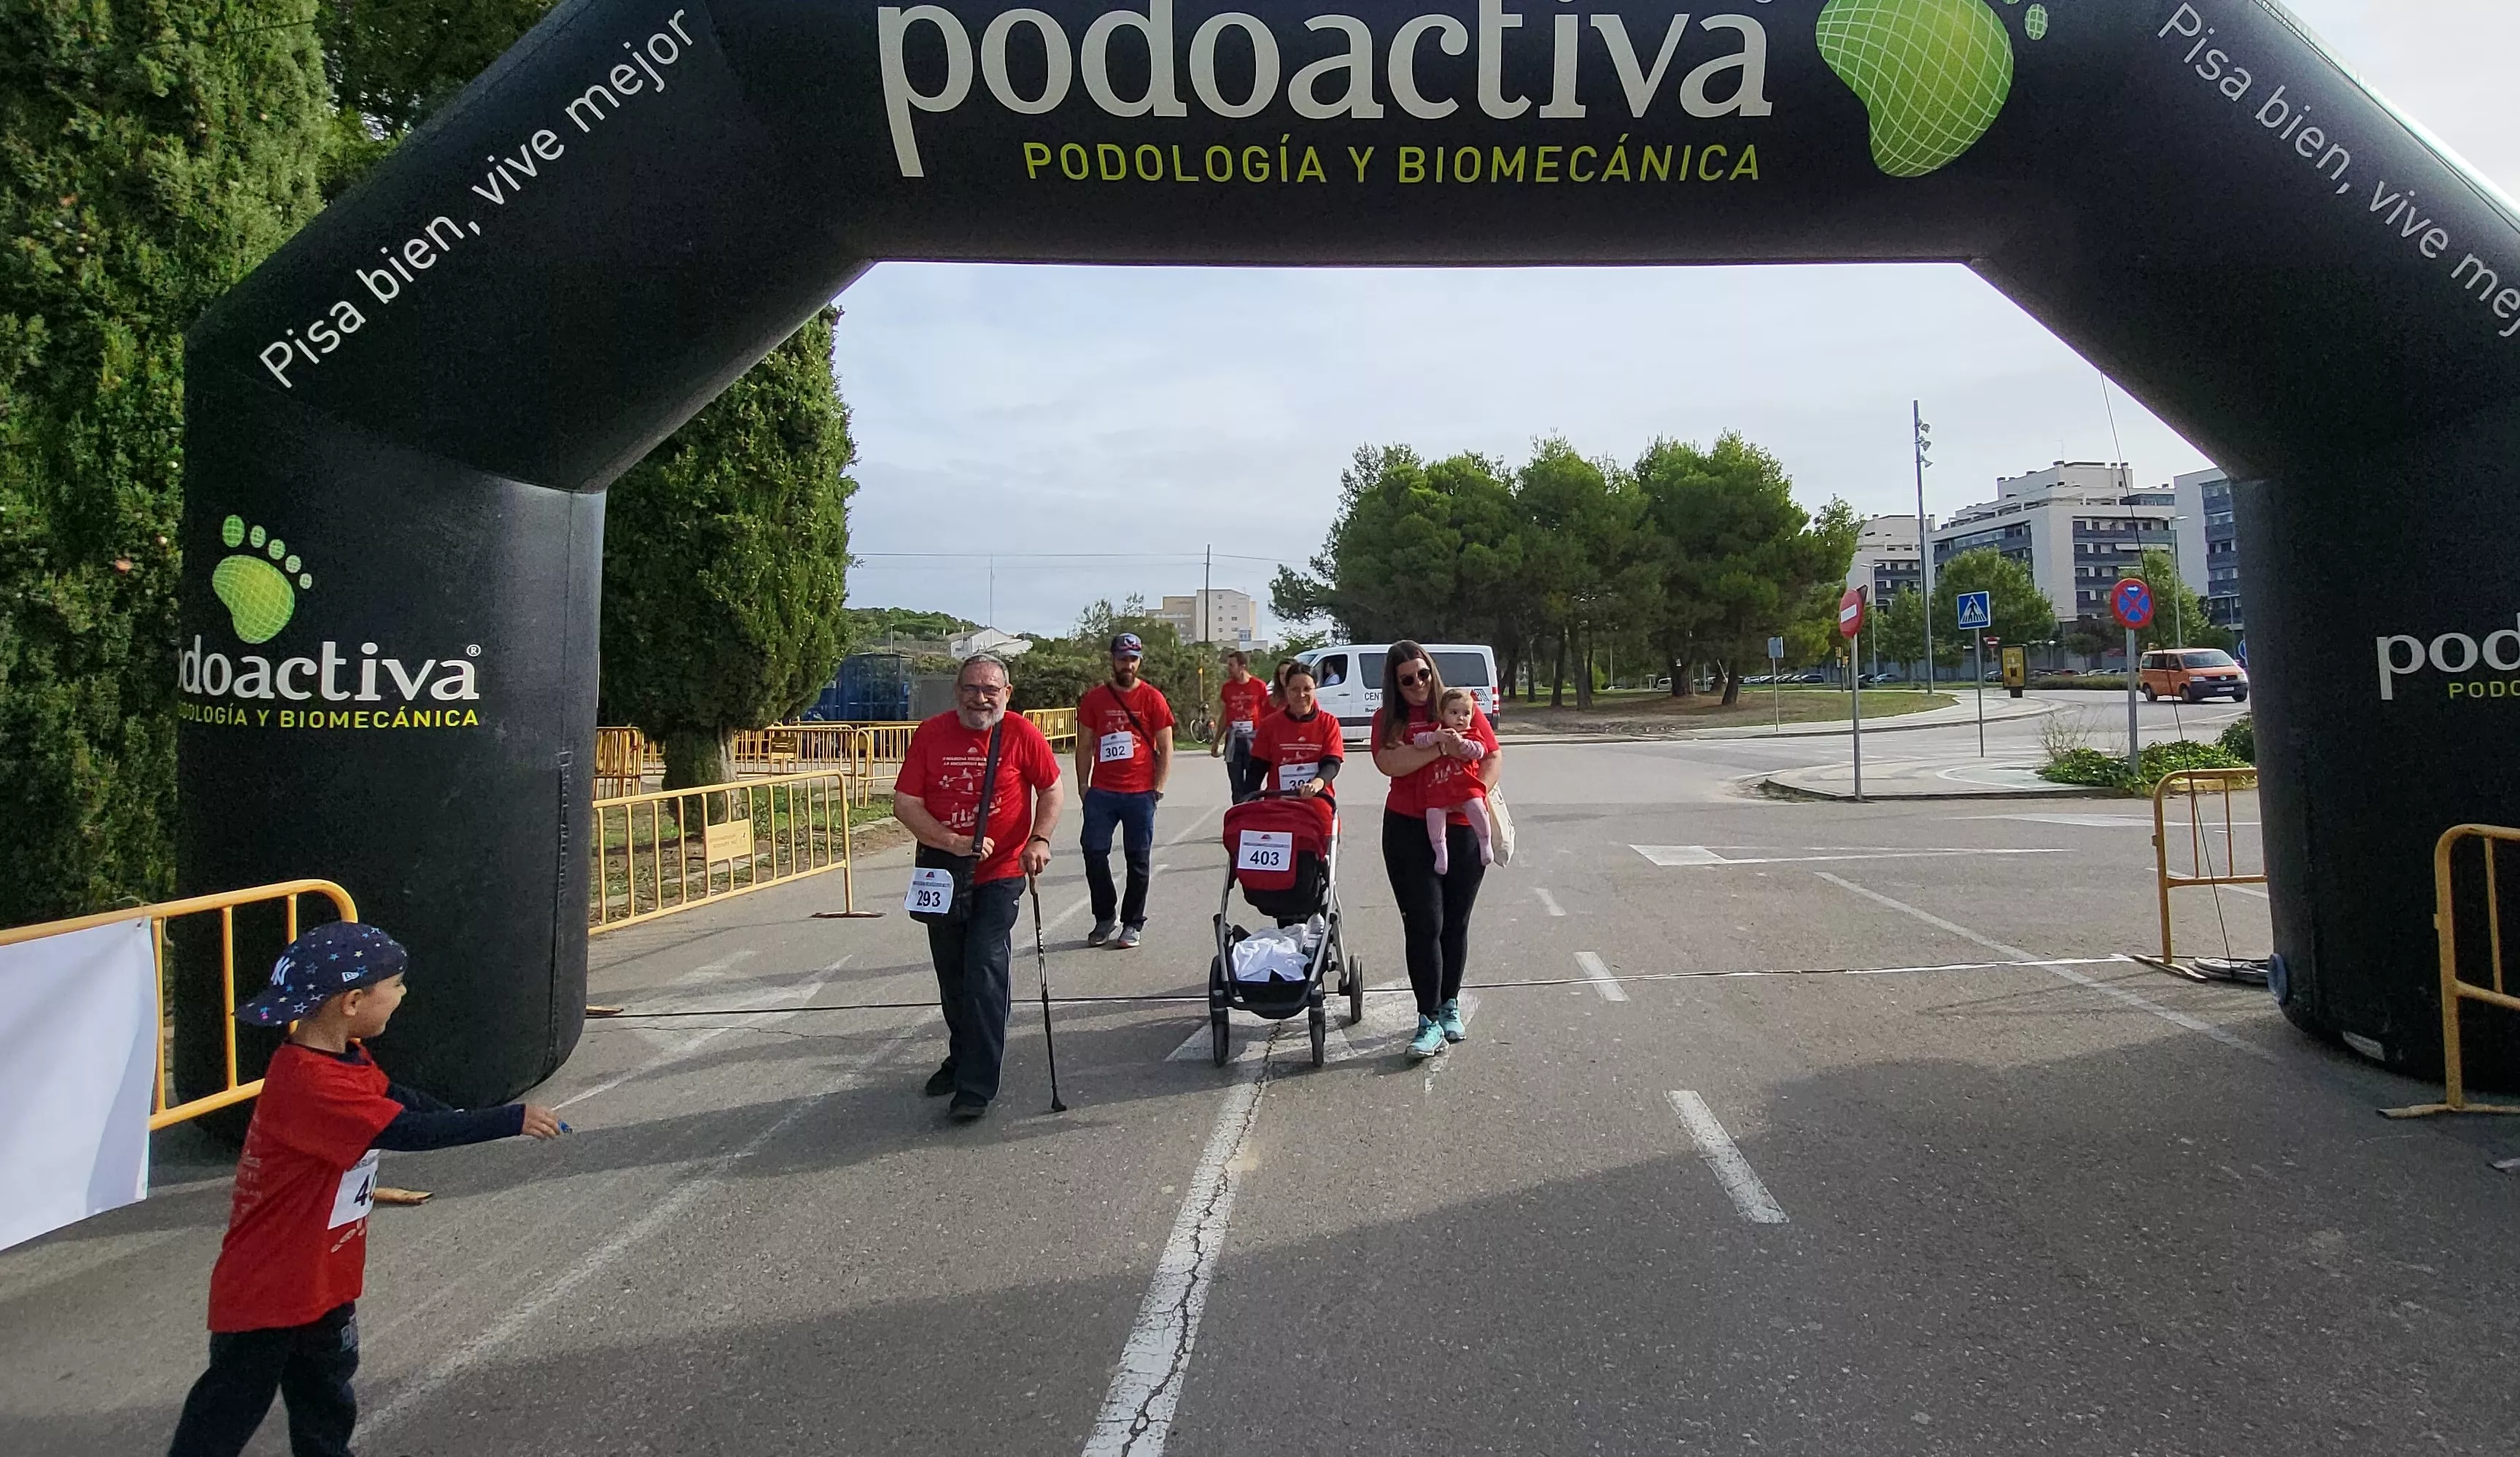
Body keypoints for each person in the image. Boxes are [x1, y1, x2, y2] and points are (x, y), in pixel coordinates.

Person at [168, 922, 562, 1457]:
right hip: (269, 1284)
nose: (401, 995)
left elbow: (397, 1098)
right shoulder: (310, 1082)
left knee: (325, 1389)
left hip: (322, 1273)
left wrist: (462, 1113)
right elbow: (404, 1130)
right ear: (353, 1000)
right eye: (394, 985)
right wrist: (508, 1119)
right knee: (231, 1405)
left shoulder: (346, 1056)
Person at [894, 653, 1064, 1121]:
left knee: (985, 969)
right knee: (952, 973)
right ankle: (961, 1055)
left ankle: (976, 1085)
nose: (981, 697)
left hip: (1002, 871)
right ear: (957, 692)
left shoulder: (1022, 734)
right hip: (941, 869)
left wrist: (1040, 839)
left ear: (1007, 694)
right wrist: (951, 840)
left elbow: (1051, 788)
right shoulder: (930, 735)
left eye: (991, 689)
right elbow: (905, 804)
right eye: (972, 688)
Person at [1371, 641, 1502, 1061]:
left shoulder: (1459, 707)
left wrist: (1473, 791)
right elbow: (1392, 763)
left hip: (1462, 826)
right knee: (1424, 922)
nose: (1418, 685)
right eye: (1407, 679)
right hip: (1409, 829)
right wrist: (1441, 746)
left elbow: (1492, 755)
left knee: (1455, 923)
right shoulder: (1387, 721)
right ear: (1395, 683)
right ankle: (1427, 1020)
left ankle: (1449, 1005)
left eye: (1423, 674)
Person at [1075, 632, 1174, 949]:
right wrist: (1083, 785)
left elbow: (1166, 746)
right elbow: (1085, 745)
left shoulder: (1152, 698)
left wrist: (1157, 788)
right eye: (1122, 658)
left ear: (1139, 661)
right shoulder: (1095, 699)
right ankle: (1105, 918)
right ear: (1113, 660)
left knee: (1138, 859)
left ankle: (1133, 923)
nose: (1127, 665)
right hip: (1102, 792)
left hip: (1139, 793)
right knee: (1093, 852)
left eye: (1133, 659)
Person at [1247, 658, 1343, 820]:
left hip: (1317, 808)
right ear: (1286, 690)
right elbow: (1256, 769)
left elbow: (1332, 763)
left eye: (1307, 689)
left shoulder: (1328, 723)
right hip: (1279, 809)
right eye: (1294, 689)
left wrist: (1317, 784)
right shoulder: (1270, 725)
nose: (1301, 695)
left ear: (1316, 688)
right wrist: (1247, 803)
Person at [1414, 687, 1494, 875]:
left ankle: (1485, 841)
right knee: (1434, 815)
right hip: (1439, 787)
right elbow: (1418, 741)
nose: (1461, 718)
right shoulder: (1437, 731)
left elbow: (1480, 751)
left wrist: (1462, 743)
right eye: (1454, 713)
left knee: (1476, 805)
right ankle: (1441, 853)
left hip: (1465, 785)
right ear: (1443, 714)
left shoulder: (1472, 733)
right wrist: (1435, 737)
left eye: (1466, 713)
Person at [1211, 649, 1269, 801]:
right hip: (1234, 740)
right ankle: (1238, 815)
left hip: (1253, 739)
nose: (1228, 668)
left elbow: (1265, 713)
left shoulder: (1259, 686)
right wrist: (1217, 740)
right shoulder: (1227, 688)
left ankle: (1255, 815)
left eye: (1231, 665)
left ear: (1242, 666)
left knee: (1253, 784)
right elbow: (1225, 714)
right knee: (1236, 785)